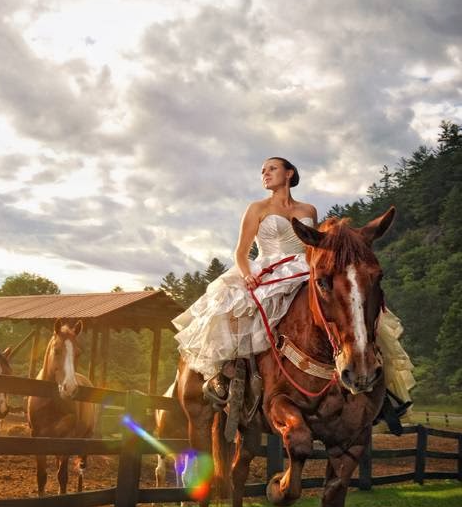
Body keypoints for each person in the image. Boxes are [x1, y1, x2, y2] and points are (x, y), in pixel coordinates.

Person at [173, 157, 415, 426]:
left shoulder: (308, 209)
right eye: (263, 170)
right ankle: (225, 376)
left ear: (289, 174)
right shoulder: (257, 209)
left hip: (302, 269)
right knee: (235, 311)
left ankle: (380, 390)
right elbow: (240, 252)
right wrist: (247, 275)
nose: (265, 173)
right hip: (264, 269)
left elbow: (314, 248)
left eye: (272, 168)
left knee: (351, 307)